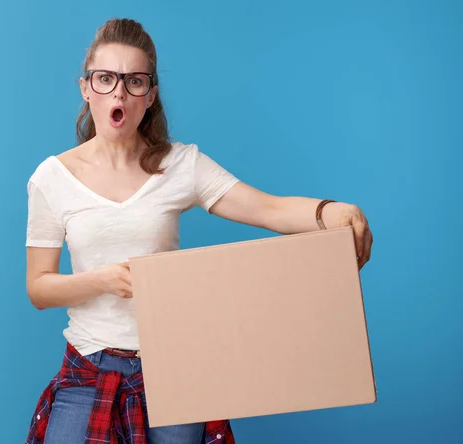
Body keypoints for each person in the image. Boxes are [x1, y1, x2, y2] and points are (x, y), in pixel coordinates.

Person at [24, 17, 373, 444]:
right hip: (88, 368)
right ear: (86, 88)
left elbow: (267, 208)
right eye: (105, 78)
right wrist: (103, 280)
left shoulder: (180, 164)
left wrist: (331, 211)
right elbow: (38, 288)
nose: (119, 91)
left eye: (134, 81)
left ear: (150, 95)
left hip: (176, 367)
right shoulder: (52, 177)